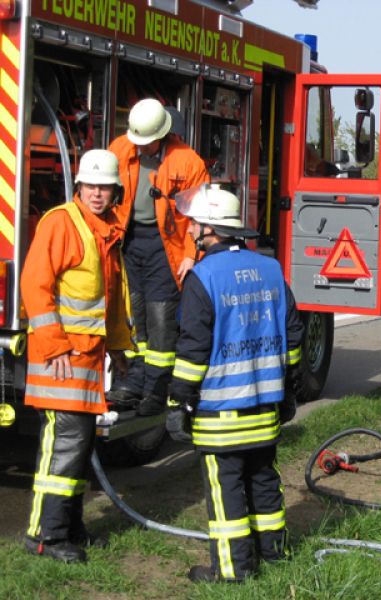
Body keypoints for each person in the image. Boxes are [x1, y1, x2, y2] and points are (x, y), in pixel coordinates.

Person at [166, 183, 304, 583]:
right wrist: (289, 390)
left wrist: (178, 402)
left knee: (226, 490)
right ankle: (274, 554)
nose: (192, 230)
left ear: (210, 229)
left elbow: (193, 351)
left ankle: (232, 571)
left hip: (220, 415)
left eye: (195, 224)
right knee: (263, 480)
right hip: (265, 409)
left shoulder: (203, 278)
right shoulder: (271, 270)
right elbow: (293, 336)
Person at [22, 150, 133, 563]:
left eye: (104, 187)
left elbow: (110, 299)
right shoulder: (61, 223)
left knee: (79, 446)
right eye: (91, 186)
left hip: (85, 363)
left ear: (115, 191)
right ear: (79, 187)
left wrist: (118, 346)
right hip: (61, 361)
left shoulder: (106, 230)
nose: (97, 193)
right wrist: (55, 346)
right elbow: (35, 286)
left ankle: (69, 528)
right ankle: (45, 536)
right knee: (65, 446)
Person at [107, 98, 209, 416]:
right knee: (132, 316)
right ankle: (129, 383)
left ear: (162, 135)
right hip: (127, 241)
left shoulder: (188, 163)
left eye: (147, 142)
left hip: (167, 249)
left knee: (161, 320)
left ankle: (155, 390)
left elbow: (199, 216)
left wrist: (191, 255)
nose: (141, 147)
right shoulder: (120, 149)